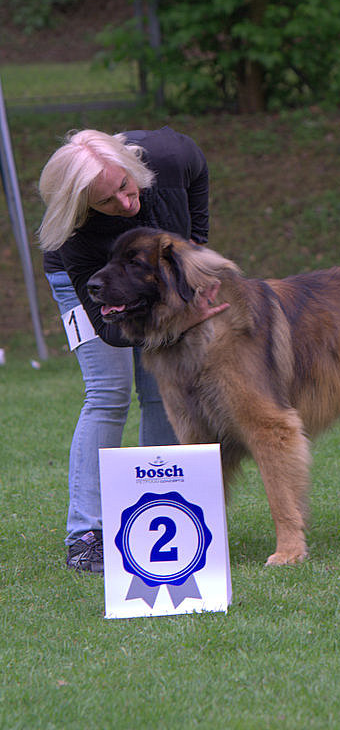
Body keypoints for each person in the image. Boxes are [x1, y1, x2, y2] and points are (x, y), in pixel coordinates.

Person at [39, 127, 211, 574]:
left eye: (123, 186)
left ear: (130, 168)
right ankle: (87, 533)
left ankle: (157, 509)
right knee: (108, 391)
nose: (125, 204)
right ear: (83, 208)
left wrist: (197, 252)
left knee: (161, 386)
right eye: (107, 202)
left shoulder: (170, 156)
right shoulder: (74, 238)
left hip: (147, 278)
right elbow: (112, 334)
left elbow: (197, 174)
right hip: (89, 281)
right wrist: (174, 317)